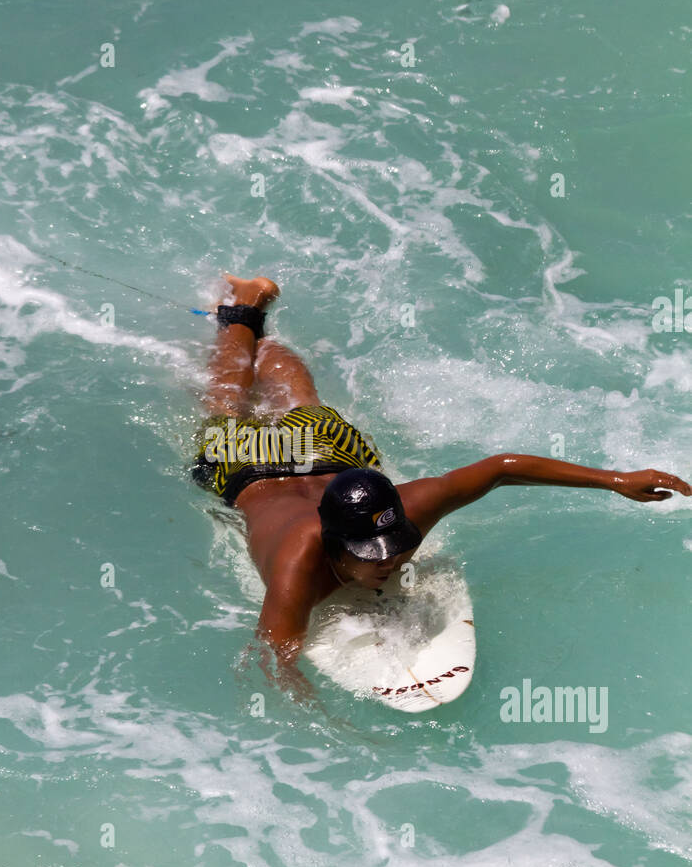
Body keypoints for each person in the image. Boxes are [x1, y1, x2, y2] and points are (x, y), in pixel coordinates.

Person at [192, 275, 690, 698]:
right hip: (250, 468)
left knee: (304, 403)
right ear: (334, 546)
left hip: (332, 456)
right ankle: (246, 312)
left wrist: (617, 480)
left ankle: (260, 334)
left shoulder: (413, 506)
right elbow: (273, 656)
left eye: (395, 546)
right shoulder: (299, 561)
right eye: (371, 553)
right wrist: (324, 720)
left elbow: (501, 468)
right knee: (227, 405)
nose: (390, 560)